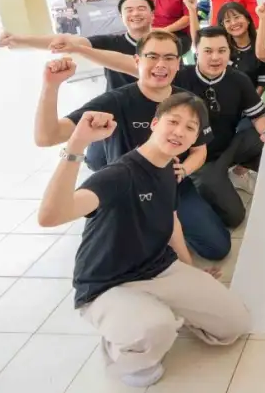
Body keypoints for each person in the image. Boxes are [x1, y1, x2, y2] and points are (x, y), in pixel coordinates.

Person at [37, 93, 250, 388]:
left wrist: (190, 270)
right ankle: (121, 343)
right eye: (173, 121)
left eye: (190, 128)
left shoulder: (169, 169)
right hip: (106, 283)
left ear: (194, 140)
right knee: (152, 339)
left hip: (158, 269)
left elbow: (172, 223)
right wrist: (76, 146)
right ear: (154, 124)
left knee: (234, 324)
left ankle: (151, 312)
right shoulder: (118, 175)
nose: (179, 131)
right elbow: (50, 216)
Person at [33, 32, 230, 261]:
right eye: (152, 56)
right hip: (126, 192)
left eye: (169, 58)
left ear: (178, 64)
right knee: (130, 253)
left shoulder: (188, 103)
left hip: (172, 187)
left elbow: (199, 150)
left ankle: (167, 230)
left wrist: (184, 170)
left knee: (217, 247)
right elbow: (47, 137)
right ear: (137, 61)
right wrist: (51, 86)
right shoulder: (115, 101)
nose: (160, 65)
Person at [65, 24, 265, 231]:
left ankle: (234, 173)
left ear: (229, 52)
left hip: (222, 147)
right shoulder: (174, 75)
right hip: (196, 157)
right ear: (196, 52)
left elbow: (258, 115)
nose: (215, 57)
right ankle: (201, 190)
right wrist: (80, 49)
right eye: (208, 51)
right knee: (233, 217)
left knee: (264, 138)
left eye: (221, 51)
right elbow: (124, 62)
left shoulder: (238, 79)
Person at [0, 0, 155, 92]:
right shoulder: (109, 42)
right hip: (120, 109)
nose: (135, 13)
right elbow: (67, 41)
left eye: (141, 9)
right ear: (121, 17)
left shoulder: (166, 42)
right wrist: (18, 39)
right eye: (129, 10)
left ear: (152, 14)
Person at [212, 1, 265, 93]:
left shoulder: (262, 52)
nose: (233, 23)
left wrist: (250, 100)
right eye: (227, 21)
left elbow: (261, 87)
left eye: (237, 17)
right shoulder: (220, 49)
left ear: (248, 20)